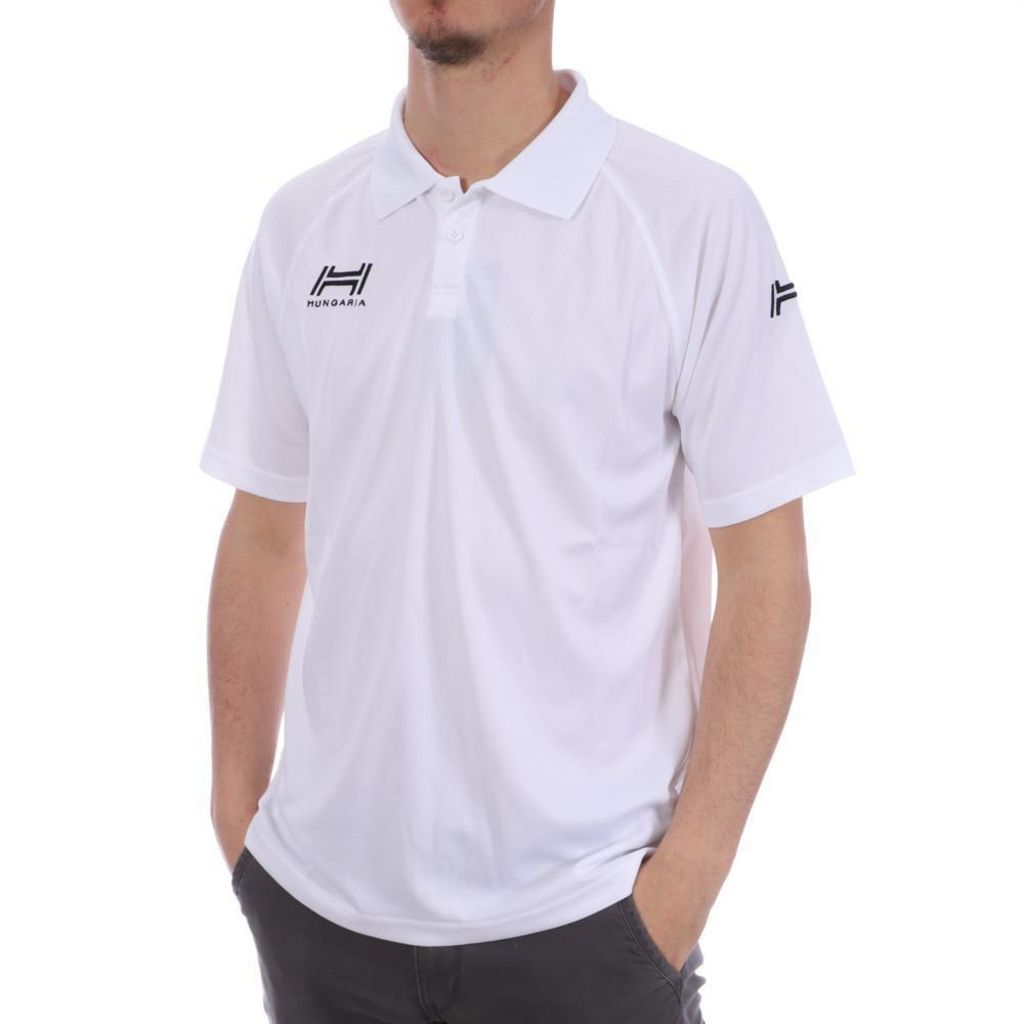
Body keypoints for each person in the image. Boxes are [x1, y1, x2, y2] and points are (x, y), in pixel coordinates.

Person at [199, 2, 855, 1021]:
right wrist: (240, 821)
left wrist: (682, 886)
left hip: (588, 925)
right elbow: (264, 530)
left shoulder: (688, 217)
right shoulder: (305, 221)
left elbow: (768, 570)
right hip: (320, 920)